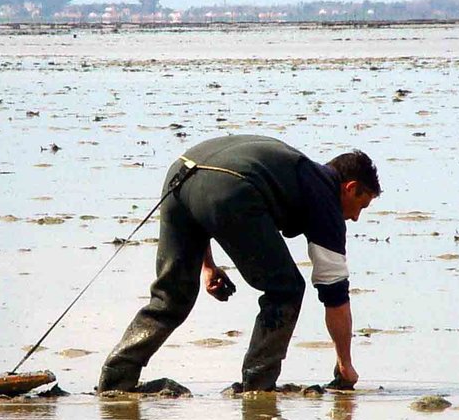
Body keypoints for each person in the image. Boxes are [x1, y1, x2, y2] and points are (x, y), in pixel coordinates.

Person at [98, 134, 381, 392]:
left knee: (170, 296)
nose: (356, 218)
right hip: (229, 186)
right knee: (286, 288)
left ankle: (117, 376)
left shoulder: (292, 167)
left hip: (181, 174)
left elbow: (204, 198)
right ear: (350, 187)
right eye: (362, 206)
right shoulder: (323, 195)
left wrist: (206, 266)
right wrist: (345, 364)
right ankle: (258, 385)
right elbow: (334, 294)